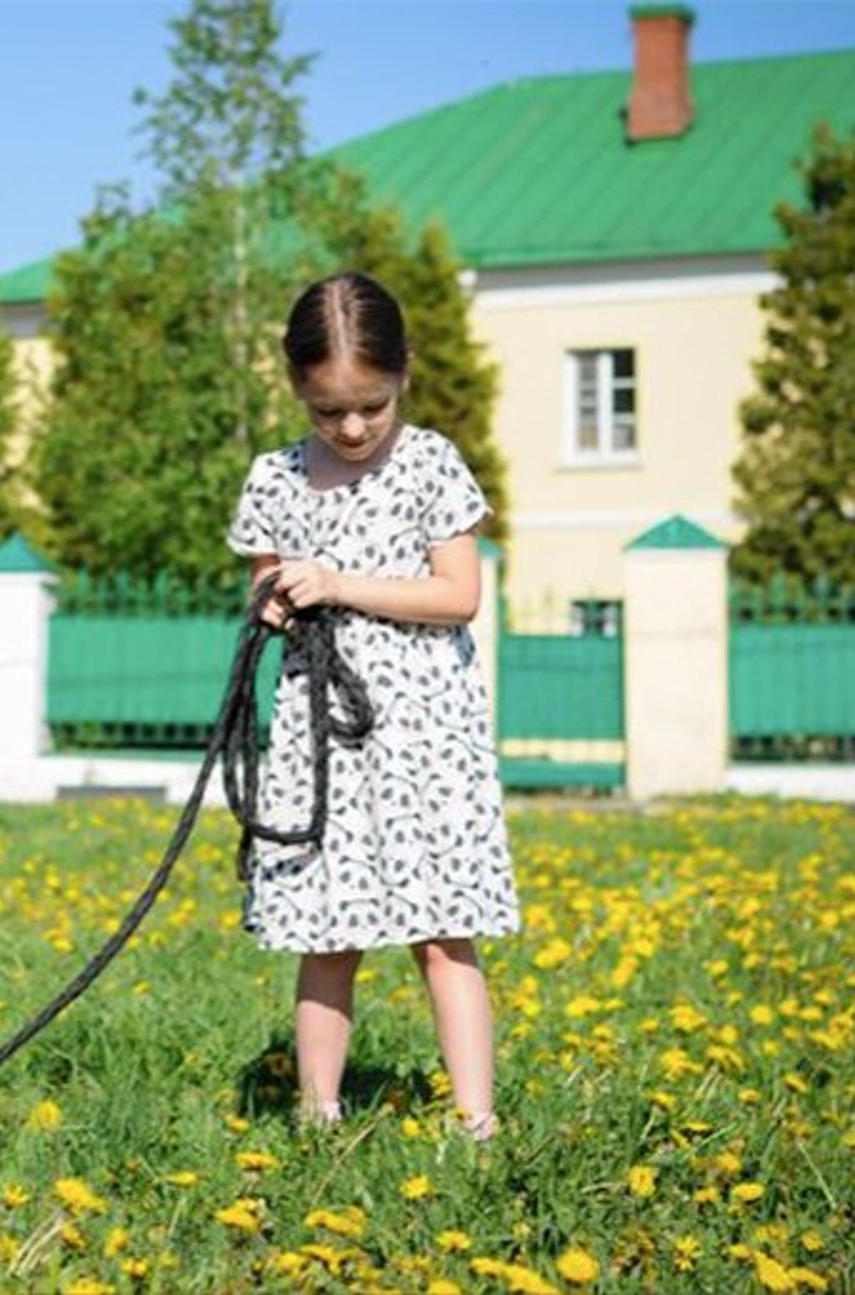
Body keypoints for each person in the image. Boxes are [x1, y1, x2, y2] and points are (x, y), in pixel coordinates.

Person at [226, 271, 519, 1140]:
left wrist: (341, 583)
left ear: (406, 377)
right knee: (328, 931)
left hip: (428, 735)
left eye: (371, 406)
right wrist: (276, 604)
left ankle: (476, 1121)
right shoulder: (275, 478)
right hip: (327, 740)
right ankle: (318, 1115)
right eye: (329, 412)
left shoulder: (431, 462)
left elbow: (459, 594)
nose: (352, 428)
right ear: (297, 390)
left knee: (444, 931)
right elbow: (265, 594)